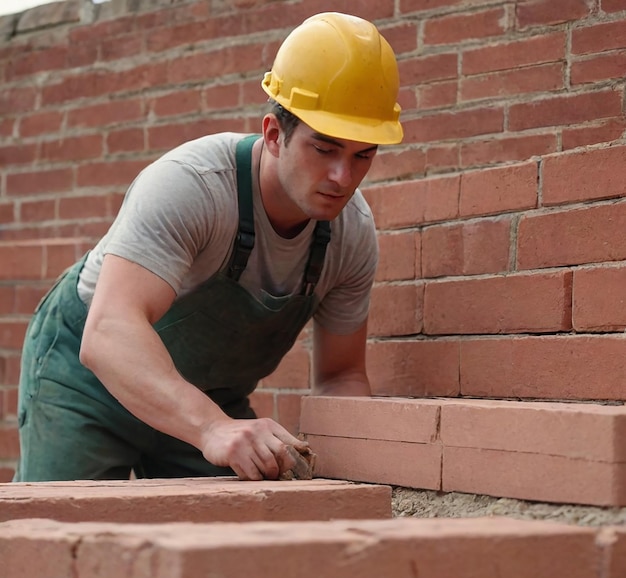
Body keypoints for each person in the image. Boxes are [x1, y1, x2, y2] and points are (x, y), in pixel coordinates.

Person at [14, 11, 403, 482]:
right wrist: (212, 427)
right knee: (58, 533)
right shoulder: (192, 185)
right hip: (87, 382)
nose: (343, 178)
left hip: (208, 398)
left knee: (231, 539)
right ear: (274, 135)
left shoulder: (352, 234)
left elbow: (342, 378)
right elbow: (109, 331)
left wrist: (353, 482)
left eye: (362, 155)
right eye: (324, 150)